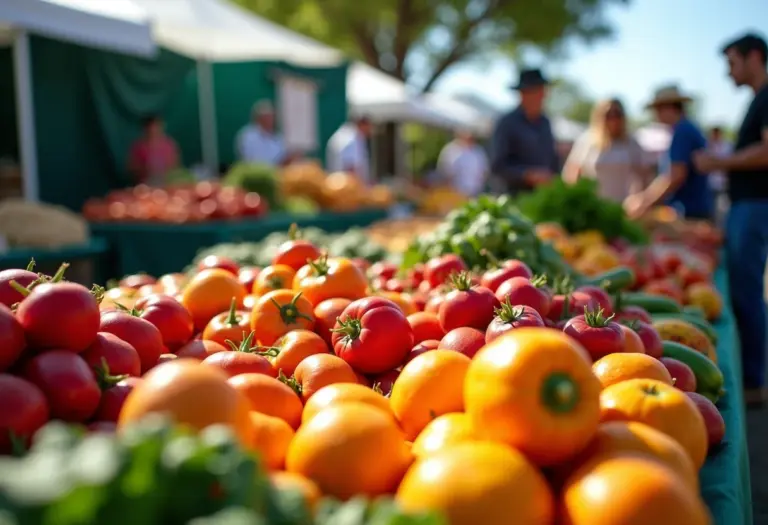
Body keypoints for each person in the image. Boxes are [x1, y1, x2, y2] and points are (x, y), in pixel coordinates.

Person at [694, 33, 768, 405]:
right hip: (748, 206)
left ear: (754, 56)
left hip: (755, 206)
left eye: (732, 63)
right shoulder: (758, 99)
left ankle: (756, 382)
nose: (728, 72)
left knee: (747, 293)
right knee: (745, 291)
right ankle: (755, 377)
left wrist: (718, 162)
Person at [623, 86, 714, 220]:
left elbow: (676, 176)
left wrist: (644, 202)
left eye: (658, 109)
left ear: (670, 107)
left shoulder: (682, 132)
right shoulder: (687, 128)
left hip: (689, 212)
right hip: (694, 209)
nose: (656, 113)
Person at [562, 98, 652, 202]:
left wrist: (639, 199)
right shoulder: (587, 140)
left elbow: (644, 176)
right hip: (593, 204)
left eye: (617, 114)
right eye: (609, 114)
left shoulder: (630, 142)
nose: (613, 119)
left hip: (623, 206)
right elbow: (572, 174)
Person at [490, 68, 559, 194]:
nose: (542, 96)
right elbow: (497, 166)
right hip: (512, 198)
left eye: (543, 91)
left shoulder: (545, 123)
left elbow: (552, 159)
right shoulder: (507, 123)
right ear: (523, 94)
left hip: (541, 197)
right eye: (537, 91)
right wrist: (527, 175)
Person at [127, 115, 181, 187]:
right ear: (145, 129)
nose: (154, 130)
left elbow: (176, 165)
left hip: (167, 185)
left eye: (157, 126)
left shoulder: (169, 145)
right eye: (151, 127)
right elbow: (132, 168)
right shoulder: (138, 147)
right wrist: (145, 169)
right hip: (145, 186)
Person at [436, 130, 489, 197]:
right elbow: (445, 172)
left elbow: (484, 171)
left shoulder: (478, 151)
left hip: (475, 192)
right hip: (454, 193)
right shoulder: (450, 150)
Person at [236, 100, 286, 166]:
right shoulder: (247, 136)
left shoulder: (278, 137)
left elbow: (282, 157)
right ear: (259, 118)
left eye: (272, 116)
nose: (270, 119)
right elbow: (252, 160)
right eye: (267, 117)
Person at [326, 116, 373, 185]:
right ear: (363, 125)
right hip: (346, 186)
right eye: (369, 126)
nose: (370, 130)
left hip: (337, 183)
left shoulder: (344, 134)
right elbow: (350, 167)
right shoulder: (352, 139)